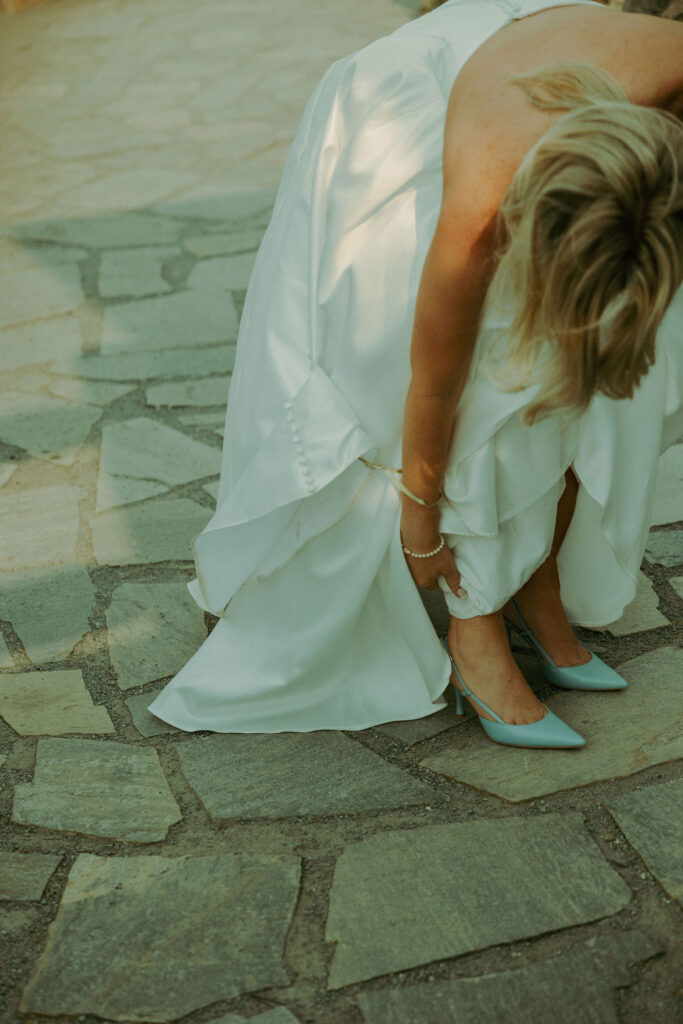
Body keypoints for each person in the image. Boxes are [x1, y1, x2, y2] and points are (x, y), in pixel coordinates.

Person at [147, 0, 683, 747]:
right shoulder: (485, 189)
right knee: (504, 378)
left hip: (542, 50)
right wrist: (422, 521)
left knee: (611, 366)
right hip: (409, 107)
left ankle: (538, 583)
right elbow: (433, 381)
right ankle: (477, 630)